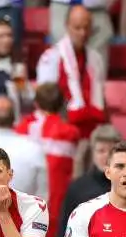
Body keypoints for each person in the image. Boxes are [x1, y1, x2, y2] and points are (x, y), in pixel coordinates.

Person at [15, 83, 80, 237]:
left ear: (36, 103)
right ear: (61, 104)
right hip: (56, 203)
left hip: (24, 204)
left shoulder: (22, 128)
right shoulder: (70, 133)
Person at [37, 7, 107, 141]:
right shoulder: (51, 58)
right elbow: (45, 101)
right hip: (60, 131)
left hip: (91, 131)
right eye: (77, 28)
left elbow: (102, 99)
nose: (83, 33)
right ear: (67, 26)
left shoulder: (96, 58)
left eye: (86, 28)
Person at [56, 124, 122, 237]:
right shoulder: (77, 188)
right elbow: (64, 233)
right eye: (101, 151)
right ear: (93, 154)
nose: (106, 156)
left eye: (112, 151)